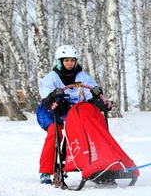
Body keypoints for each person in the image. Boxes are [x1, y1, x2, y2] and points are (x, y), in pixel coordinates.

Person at [36, 45, 111, 184]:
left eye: (72, 60)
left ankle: (96, 165)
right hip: (50, 111)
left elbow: (91, 98)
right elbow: (46, 102)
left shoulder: (82, 77)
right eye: (66, 61)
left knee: (90, 130)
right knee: (55, 132)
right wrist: (53, 95)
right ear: (60, 62)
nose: (70, 64)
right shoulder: (51, 78)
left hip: (73, 111)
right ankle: (46, 172)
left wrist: (98, 98)